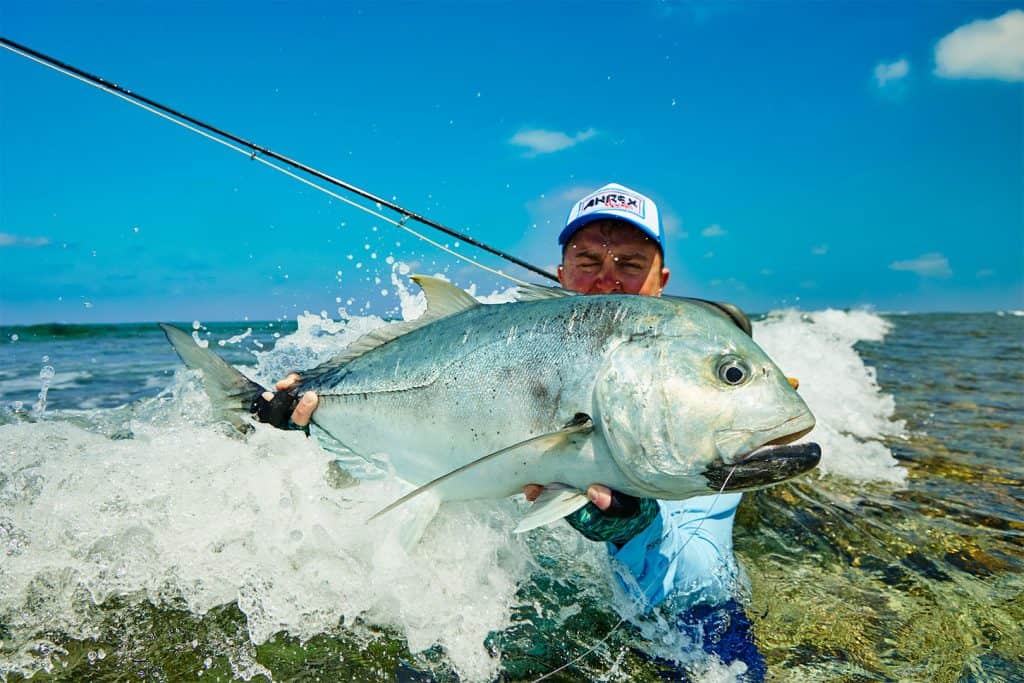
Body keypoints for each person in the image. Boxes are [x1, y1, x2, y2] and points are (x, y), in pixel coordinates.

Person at [256, 183, 766, 680]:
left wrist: (631, 527)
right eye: (589, 262)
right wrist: (311, 411)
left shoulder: (697, 406)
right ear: (560, 273)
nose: (607, 280)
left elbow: (699, 571)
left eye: (630, 264)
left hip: (665, 617)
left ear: (662, 279)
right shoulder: (513, 339)